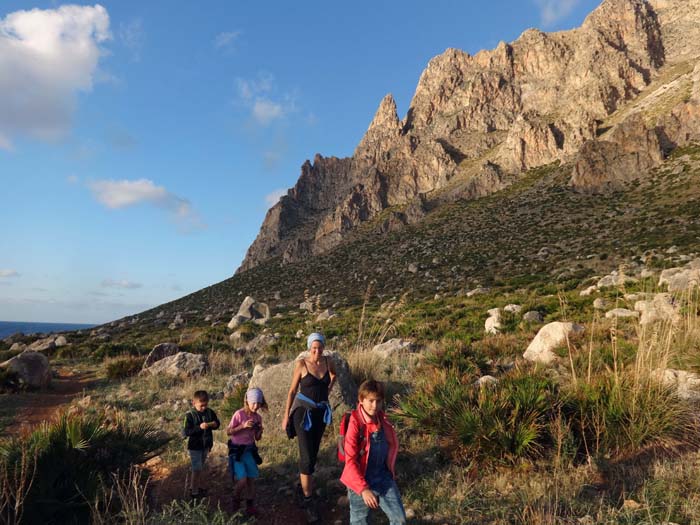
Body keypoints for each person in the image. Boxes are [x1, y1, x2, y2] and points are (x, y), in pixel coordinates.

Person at [282, 332, 337, 522]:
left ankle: (302, 487)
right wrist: (285, 416)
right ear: (309, 348)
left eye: (320, 348)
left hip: (320, 414)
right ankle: (308, 499)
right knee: (306, 457)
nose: (317, 352)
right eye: (314, 348)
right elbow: (291, 391)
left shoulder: (328, 361)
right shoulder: (302, 364)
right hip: (302, 414)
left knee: (313, 455)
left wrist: (327, 392)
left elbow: (334, 375)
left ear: (323, 348)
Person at [340, 380, 406, 525]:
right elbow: (350, 462)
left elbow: (391, 446)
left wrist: (390, 471)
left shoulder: (383, 419)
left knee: (399, 520)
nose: (375, 406)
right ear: (361, 400)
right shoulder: (355, 424)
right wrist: (363, 490)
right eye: (370, 401)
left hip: (383, 476)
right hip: (360, 479)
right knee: (360, 522)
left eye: (378, 401)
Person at [227, 387, 267, 516]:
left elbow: (257, 438)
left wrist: (260, 432)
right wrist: (242, 426)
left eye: (258, 403)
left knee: (251, 479)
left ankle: (250, 506)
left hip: (249, 451)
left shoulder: (258, 418)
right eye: (253, 402)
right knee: (242, 480)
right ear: (247, 401)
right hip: (237, 452)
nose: (256, 406)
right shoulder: (239, 414)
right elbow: (228, 431)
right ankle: (235, 498)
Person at [182, 390, 220, 499]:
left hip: (206, 445)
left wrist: (214, 424)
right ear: (194, 403)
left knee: (200, 467)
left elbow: (217, 423)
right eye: (201, 405)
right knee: (197, 468)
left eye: (206, 405)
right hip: (195, 446)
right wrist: (199, 427)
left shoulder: (209, 412)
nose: (204, 408)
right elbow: (187, 431)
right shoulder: (190, 415)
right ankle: (194, 493)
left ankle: (194, 487)